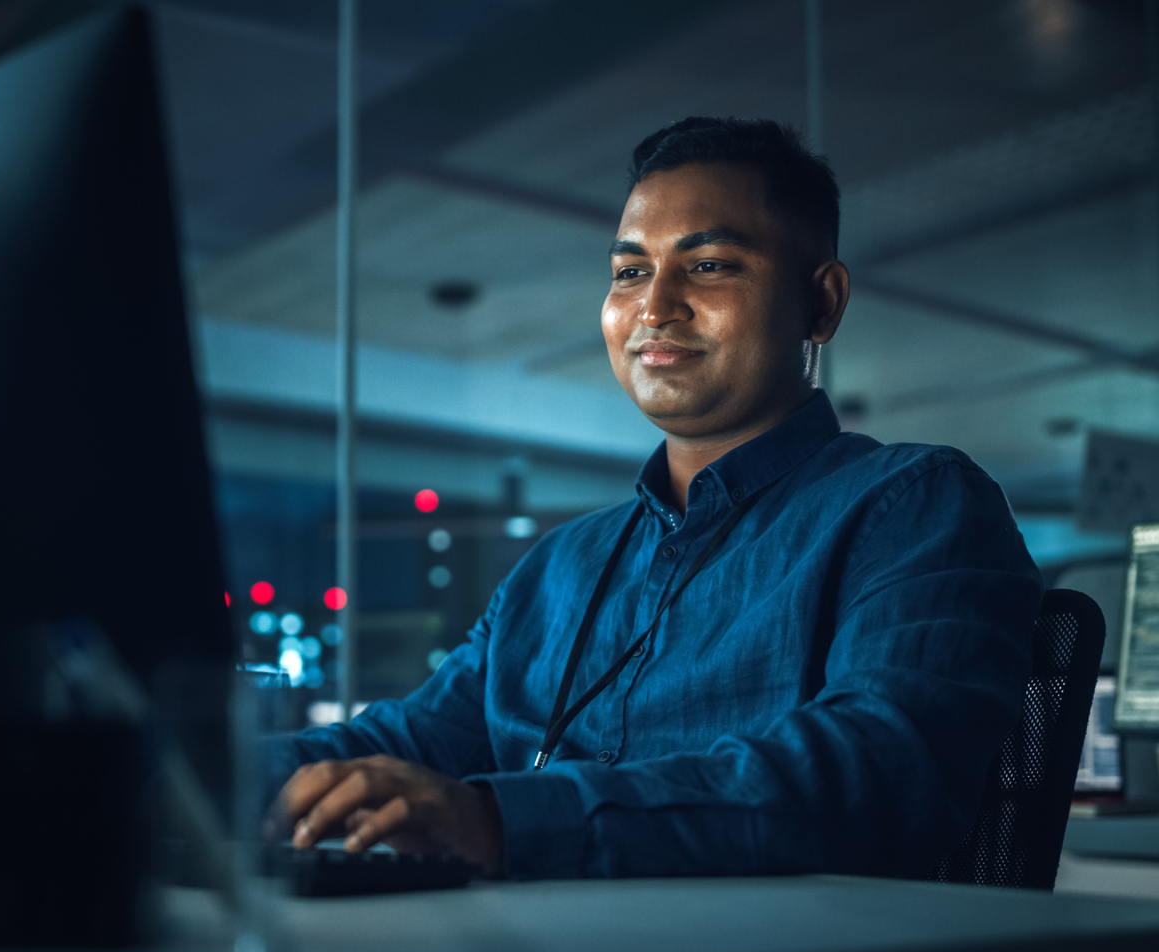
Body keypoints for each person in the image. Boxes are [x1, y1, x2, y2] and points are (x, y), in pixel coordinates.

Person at [270, 116, 1041, 887]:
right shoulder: (559, 569)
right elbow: (407, 742)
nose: (655, 306)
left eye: (708, 266)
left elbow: (875, 773)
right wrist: (186, 773)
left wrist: (496, 822)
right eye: (630, 272)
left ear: (822, 304)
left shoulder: (913, 506)